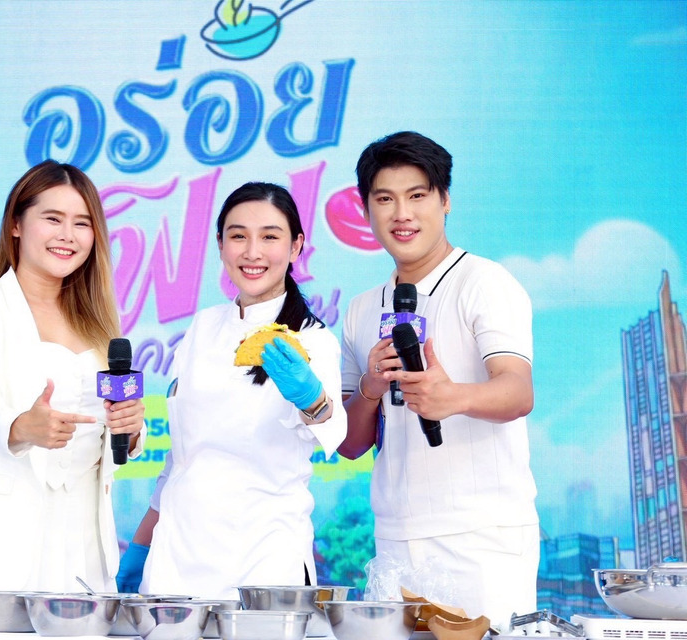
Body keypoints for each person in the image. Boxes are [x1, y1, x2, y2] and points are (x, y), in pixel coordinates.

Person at [338, 131, 539, 629]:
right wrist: (370, 388)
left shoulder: (485, 282)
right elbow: (349, 443)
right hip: (395, 537)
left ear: (445, 200)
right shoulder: (361, 309)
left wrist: (452, 397)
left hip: (481, 536)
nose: (402, 214)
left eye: (417, 196)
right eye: (385, 199)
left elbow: (518, 391)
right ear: (366, 210)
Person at [0, 160, 146, 593]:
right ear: (16, 225)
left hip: (84, 542)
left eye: (82, 223)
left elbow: (114, 424)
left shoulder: (103, 325)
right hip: (1, 538)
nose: (68, 235)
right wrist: (22, 425)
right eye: (53, 219)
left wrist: (132, 429)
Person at [116, 182, 347, 598]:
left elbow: (333, 430)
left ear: (296, 247)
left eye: (270, 237)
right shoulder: (203, 327)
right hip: (176, 557)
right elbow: (182, 458)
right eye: (238, 236)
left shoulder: (312, 341)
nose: (252, 252)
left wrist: (312, 399)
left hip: (263, 558)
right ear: (220, 245)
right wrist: (142, 542)